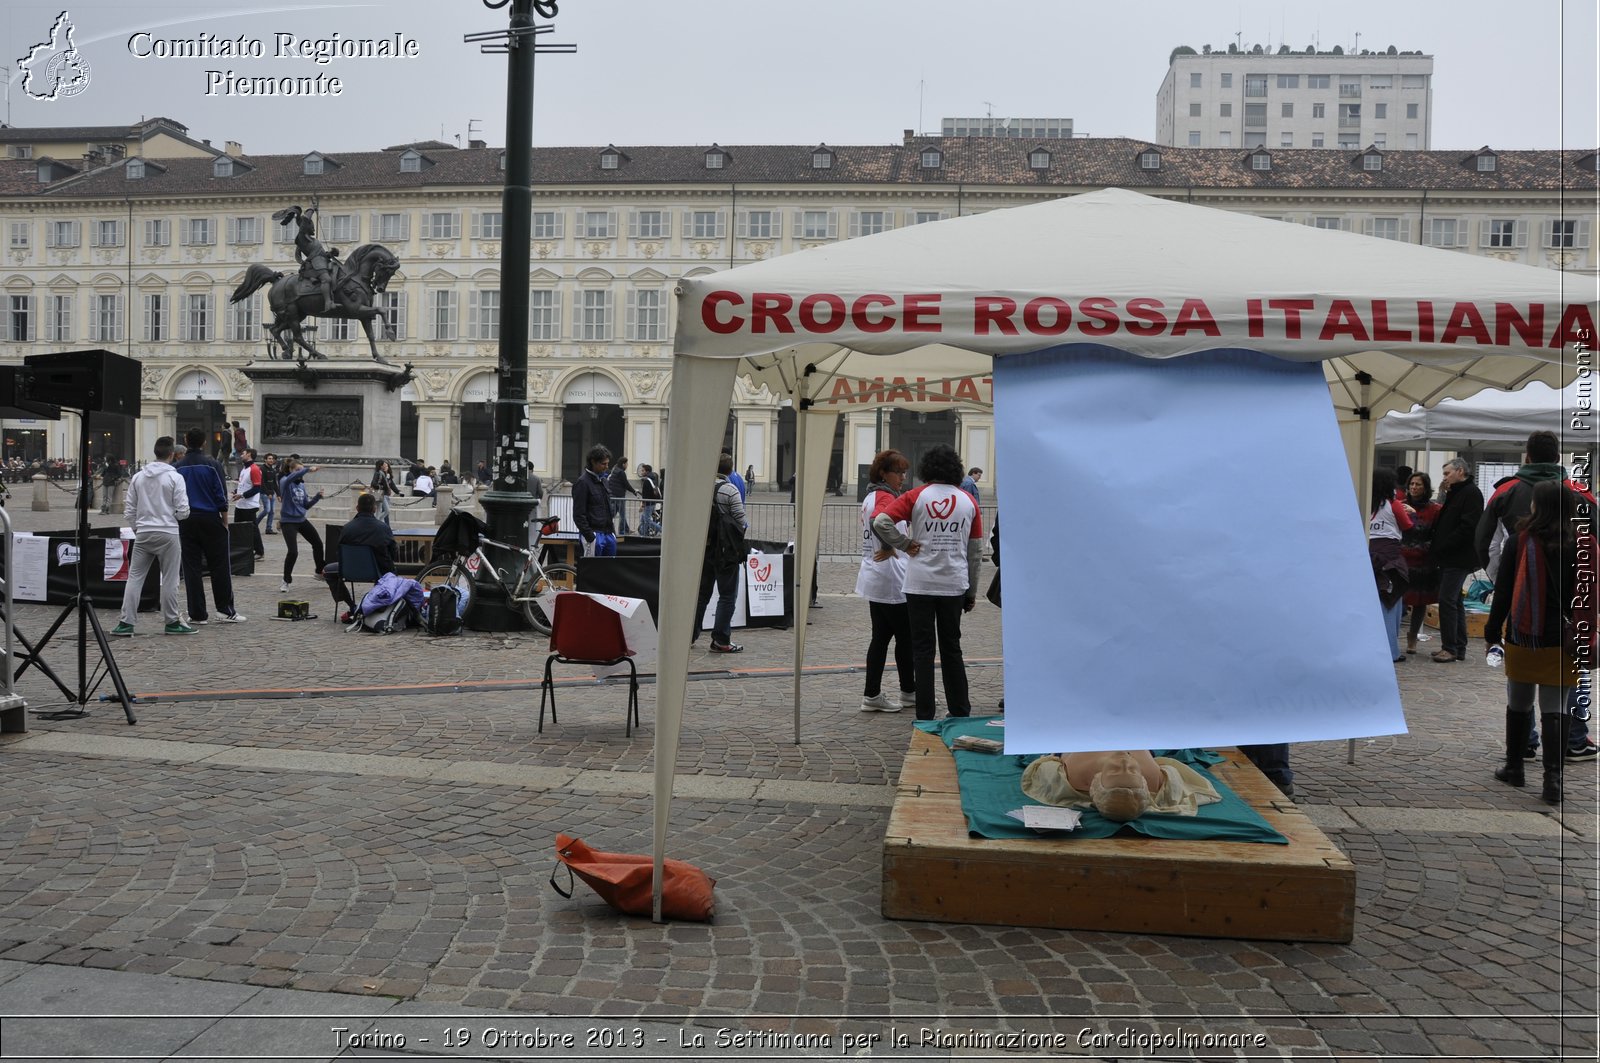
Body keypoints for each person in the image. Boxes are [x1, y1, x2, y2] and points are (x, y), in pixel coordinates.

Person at [1475, 431, 1600, 761]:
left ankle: (1524, 746)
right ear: (1558, 457)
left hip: (1522, 606)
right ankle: (1572, 742)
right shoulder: (1581, 494)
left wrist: (1505, 579)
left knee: (1521, 682)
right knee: (1569, 677)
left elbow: (1483, 541)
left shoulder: (1506, 491)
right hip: (1569, 611)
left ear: (1527, 455)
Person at [1485, 480, 1598, 804]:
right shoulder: (1583, 544)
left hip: (1524, 633)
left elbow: (1503, 592)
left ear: (1538, 506)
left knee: (1518, 704)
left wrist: (1493, 630)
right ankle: (1553, 781)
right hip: (1565, 640)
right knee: (1556, 708)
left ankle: (1515, 767)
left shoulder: (1519, 542)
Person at [871, 443, 983, 721]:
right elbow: (975, 551)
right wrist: (971, 591)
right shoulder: (969, 501)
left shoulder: (915, 496)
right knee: (952, 648)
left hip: (919, 583)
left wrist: (904, 543)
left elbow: (881, 521)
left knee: (922, 650)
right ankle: (959, 710)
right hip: (953, 583)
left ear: (927, 469)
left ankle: (925, 713)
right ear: (956, 469)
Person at [110, 436, 195, 637]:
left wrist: (138, 528)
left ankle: (126, 622)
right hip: (168, 532)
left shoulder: (139, 477)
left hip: (144, 532)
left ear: (155, 453)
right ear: (172, 454)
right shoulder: (175, 477)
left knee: (135, 578)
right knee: (170, 579)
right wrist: (171, 518)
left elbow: (129, 509)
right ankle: (172, 621)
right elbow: (184, 510)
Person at [856, 449, 915, 713]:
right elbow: (878, 521)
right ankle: (908, 691)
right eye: (898, 472)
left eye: (904, 472)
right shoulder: (883, 496)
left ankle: (873, 693)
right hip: (890, 576)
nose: (903, 477)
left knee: (880, 638)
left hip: (878, 575)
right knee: (905, 638)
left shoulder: (871, 494)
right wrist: (893, 545)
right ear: (883, 473)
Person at [1021, 749, 1221, 821]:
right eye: (1133, 771)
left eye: (1115, 771)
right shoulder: (1152, 777)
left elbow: (1043, 768)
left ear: (1096, 781)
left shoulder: (1077, 774)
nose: (1124, 764)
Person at [174, 426, 244, 625]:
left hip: (186, 520)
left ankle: (197, 614)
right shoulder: (212, 464)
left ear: (186, 441)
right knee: (220, 566)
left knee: (191, 569)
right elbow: (220, 494)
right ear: (204, 442)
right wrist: (224, 520)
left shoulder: (178, 467)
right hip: (210, 518)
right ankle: (225, 610)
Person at [1429, 457, 1484, 663]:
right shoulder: (1457, 492)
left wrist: (1445, 544)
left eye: (1447, 473)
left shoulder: (1471, 493)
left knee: (1447, 600)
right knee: (1455, 600)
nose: (1445, 478)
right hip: (1449, 556)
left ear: (1460, 471)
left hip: (1458, 557)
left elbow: (1467, 526)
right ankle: (1458, 646)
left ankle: (1450, 647)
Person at [692, 453, 748, 653]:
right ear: (730, 470)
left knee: (701, 594)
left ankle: (689, 635)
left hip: (704, 548)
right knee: (727, 595)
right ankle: (720, 639)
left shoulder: (702, 488)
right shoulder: (730, 489)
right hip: (725, 550)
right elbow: (741, 519)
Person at [1369, 469, 1414, 664]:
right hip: (1390, 560)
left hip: (1368, 557)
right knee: (1391, 600)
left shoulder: (1364, 504)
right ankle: (1391, 650)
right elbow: (1407, 526)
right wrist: (1410, 513)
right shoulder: (1393, 505)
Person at [325, 491, 397, 613]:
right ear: (374, 509)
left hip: (348, 570)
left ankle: (351, 605)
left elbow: (339, 552)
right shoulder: (383, 528)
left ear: (357, 508)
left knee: (327, 570)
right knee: (390, 571)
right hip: (377, 571)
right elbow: (392, 551)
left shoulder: (347, 528)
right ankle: (377, 604)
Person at [1398, 471, 1442, 654]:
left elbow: (1435, 533)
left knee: (1419, 601)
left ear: (1426, 488)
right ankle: (1392, 636)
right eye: (1412, 484)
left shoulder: (1435, 509)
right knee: (1398, 599)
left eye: (1418, 484)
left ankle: (1412, 638)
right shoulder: (1399, 506)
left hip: (1424, 560)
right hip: (1403, 558)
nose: (1414, 488)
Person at [274, 204, 338, 313]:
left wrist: (330, 253)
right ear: (306, 227)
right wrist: (311, 209)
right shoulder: (302, 239)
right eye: (311, 226)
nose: (313, 228)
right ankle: (328, 303)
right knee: (326, 279)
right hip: (316, 264)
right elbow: (304, 220)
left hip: (324, 262)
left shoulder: (314, 241)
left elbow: (321, 253)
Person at [278, 457, 326, 592]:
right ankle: (286, 580)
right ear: (290, 470)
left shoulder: (301, 486)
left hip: (301, 520)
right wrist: (307, 470)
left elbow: (305, 505)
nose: (300, 473)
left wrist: (317, 497)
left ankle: (319, 571)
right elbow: (292, 477)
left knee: (317, 543)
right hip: (288, 522)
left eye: (301, 470)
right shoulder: (285, 482)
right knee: (293, 552)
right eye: (297, 470)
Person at [572, 444, 617, 557]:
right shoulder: (582, 483)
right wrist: (590, 536)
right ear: (593, 462)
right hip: (594, 534)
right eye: (603, 464)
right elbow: (578, 514)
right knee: (592, 570)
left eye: (607, 463)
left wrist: (612, 533)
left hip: (607, 532)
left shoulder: (604, 480)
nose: (607, 466)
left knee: (609, 569)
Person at [234, 448, 265, 560]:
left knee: (252, 529)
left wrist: (242, 495)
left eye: (243, 453)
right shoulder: (244, 469)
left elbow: (256, 488)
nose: (241, 455)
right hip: (240, 504)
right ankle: (241, 551)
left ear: (249, 454)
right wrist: (236, 492)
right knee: (237, 529)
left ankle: (259, 551)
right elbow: (243, 485)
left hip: (250, 505)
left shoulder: (255, 469)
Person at [606, 455, 638, 535]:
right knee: (622, 513)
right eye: (627, 464)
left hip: (613, 494)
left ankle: (625, 529)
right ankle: (622, 530)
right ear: (623, 464)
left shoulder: (615, 470)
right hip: (619, 495)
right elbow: (626, 484)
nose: (627, 466)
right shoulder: (621, 472)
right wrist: (634, 491)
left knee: (613, 513)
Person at [369, 459, 400, 525]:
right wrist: (382, 487)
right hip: (380, 494)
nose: (386, 467)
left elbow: (391, 484)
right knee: (383, 510)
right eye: (384, 465)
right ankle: (376, 522)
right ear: (381, 466)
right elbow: (373, 483)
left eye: (387, 466)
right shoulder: (379, 473)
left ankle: (376, 522)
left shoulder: (386, 475)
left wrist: (397, 491)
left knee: (380, 510)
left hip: (383, 494)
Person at [637, 463, 662, 536]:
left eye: (643, 471)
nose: (641, 472)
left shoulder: (647, 481)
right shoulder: (653, 478)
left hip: (649, 503)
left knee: (647, 520)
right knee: (643, 519)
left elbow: (646, 494)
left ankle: (661, 529)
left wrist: (643, 504)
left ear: (647, 472)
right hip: (652, 502)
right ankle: (644, 533)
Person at [258, 453, 280, 535]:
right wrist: (267, 493)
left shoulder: (273, 470)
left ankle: (269, 528)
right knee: (267, 510)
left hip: (272, 493)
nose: (271, 460)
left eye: (272, 459)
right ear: (265, 459)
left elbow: (275, 483)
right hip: (264, 493)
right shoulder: (262, 469)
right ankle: (255, 524)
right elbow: (262, 482)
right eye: (269, 458)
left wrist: (278, 494)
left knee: (272, 511)